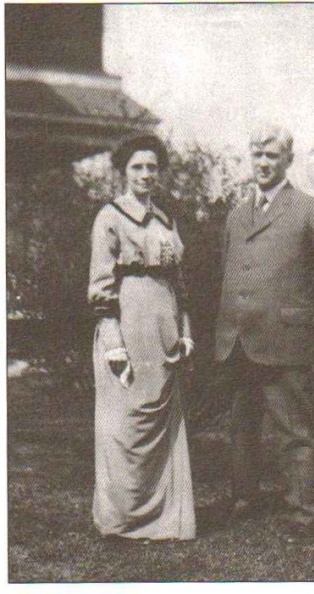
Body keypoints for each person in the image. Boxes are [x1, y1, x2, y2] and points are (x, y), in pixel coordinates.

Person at [215, 124, 314, 543]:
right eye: (257, 155)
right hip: (237, 338)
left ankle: (305, 513)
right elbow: (228, 271)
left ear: (287, 161)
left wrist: (303, 318)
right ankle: (245, 498)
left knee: (294, 428)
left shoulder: (310, 211)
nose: (263, 163)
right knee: (241, 425)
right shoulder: (237, 216)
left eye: (272, 156)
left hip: (284, 340)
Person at [88, 135, 196, 542]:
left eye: (152, 167)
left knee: (160, 419)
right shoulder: (110, 217)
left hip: (164, 326)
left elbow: (180, 286)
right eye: (137, 167)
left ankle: (165, 520)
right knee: (125, 422)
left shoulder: (166, 222)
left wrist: (185, 331)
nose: (146, 174)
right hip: (128, 324)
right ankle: (123, 518)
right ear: (124, 171)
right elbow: (101, 286)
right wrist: (113, 341)